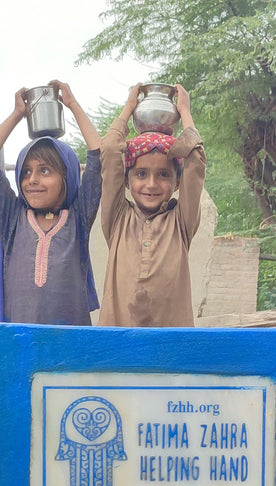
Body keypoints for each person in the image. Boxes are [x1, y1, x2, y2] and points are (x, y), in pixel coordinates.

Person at [0, 81, 101, 325]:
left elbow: (98, 158)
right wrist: (18, 114)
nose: (32, 180)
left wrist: (72, 105)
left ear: (67, 177)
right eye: (26, 172)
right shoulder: (13, 217)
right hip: (20, 347)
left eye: (45, 171)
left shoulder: (79, 218)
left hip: (68, 350)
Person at [98, 83, 205, 328]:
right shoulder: (117, 219)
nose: (151, 184)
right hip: (118, 343)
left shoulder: (180, 222)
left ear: (178, 182)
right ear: (126, 179)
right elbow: (111, 149)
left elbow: (196, 160)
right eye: (141, 174)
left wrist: (185, 112)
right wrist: (128, 108)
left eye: (164, 175)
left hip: (170, 348)